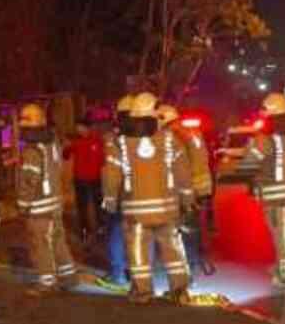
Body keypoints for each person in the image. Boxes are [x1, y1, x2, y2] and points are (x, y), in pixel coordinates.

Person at [102, 92, 194, 303]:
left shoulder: (121, 144)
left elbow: (111, 175)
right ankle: (180, 291)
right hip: (167, 209)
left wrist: (109, 201)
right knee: (173, 250)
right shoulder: (171, 141)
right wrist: (188, 200)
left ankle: (143, 292)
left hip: (135, 211)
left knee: (138, 252)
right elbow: (183, 173)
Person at [239, 93, 285, 288]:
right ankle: (284, 267)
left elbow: (249, 164)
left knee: (282, 234)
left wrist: (248, 172)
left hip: (275, 194)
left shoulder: (265, 138)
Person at [15, 102, 76, 288]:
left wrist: (23, 205)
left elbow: (29, 181)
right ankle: (69, 276)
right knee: (58, 241)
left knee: (41, 245)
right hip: (55, 203)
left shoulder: (32, 150)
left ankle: (47, 282)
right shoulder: (51, 143)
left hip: (39, 207)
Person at [158, 104, 215, 276]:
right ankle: (197, 260)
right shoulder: (192, 132)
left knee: (185, 229)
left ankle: (188, 267)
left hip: (189, 187)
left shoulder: (174, 136)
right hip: (203, 186)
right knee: (194, 226)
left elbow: (179, 165)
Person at [95, 95, 134, 293]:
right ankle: (140, 275)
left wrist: (109, 199)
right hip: (142, 194)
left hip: (120, 196)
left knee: (117, 233)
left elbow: (112, 172)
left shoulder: (114, 139)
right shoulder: (149, 135)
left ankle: (117, 275)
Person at [64, 112, 106, 242]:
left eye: (80, 127)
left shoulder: (97, 140)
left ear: (87, 127)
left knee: (98, 204)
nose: (78, 130)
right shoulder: (75, 142)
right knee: (82, 206)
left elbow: (103, 159)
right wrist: (66, 147)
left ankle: (100, 228)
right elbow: (65, 155)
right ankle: (85, 230)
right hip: (80, 179)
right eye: (77, 128)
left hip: (95, 179)